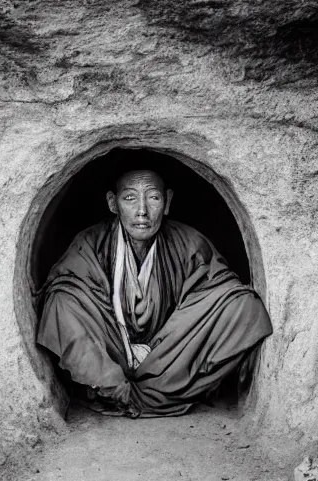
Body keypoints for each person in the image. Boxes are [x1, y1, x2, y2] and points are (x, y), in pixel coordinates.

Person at [36, 169, 272, 417]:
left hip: (169, 355)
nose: (142, 211)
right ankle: (116, 389)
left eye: (153, 198)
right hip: (111, 350)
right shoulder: (91, 243)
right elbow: (68, 289)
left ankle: (147, 390)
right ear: (112, 203)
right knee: (61, 303)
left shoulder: (188, 241)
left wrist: (173, 333)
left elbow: (217, 288)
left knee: (241, 304)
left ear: (167, 202)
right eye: (129, 198)